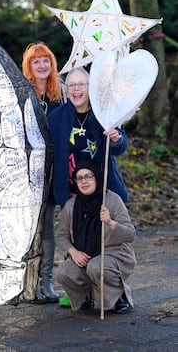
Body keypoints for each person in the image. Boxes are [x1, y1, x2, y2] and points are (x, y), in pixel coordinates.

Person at [48, 66, 129, 307]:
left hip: (103, 187)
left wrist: (116, 139)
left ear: (90, 87)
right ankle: (81, 294)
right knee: (76, 243)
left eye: (81, 84)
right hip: (72, 190)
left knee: (107, 242)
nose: (75, 89)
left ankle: (117, 295)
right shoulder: (57, 117)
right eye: (71, 85)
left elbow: (121, 145)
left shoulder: (104, 112)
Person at [55, 159, 137, 314]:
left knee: (96, 266)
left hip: (114, 254)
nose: (84, 181)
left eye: (88, 176)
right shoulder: (71, 205)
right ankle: (86, 295)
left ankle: (119, 297)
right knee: (63, 272)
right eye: (79, 178)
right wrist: (73, 252)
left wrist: (111, 222)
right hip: (85, 256)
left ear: (97, 178)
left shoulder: (112, 200)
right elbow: (61, 235)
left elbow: (130, 234)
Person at [22, 42, 64, 303]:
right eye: (36, 61)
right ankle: (28, 284)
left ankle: (46, 283)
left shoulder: (60, 95)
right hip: (26, 173)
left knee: (47, 228)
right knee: (28, 230)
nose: (41, 65)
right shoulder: (21, 95)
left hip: (52, 172)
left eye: (46, 60)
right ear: (29, 66)